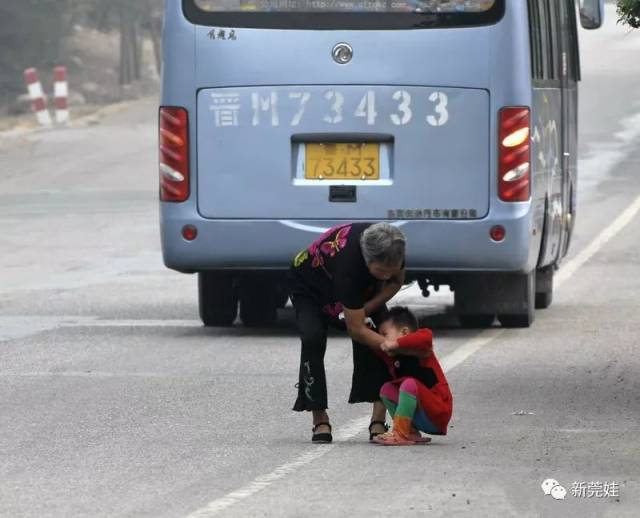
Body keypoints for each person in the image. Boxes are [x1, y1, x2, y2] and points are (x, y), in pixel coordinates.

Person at [289, 222, 407, 443]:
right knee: (312, 338)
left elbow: (394, 283)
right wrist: (389, 345)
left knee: (383, 332)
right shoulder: (351, 267)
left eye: (391, 270)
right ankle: (319, 419)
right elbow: (356, 330)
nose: (386, 276)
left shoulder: (394, 249)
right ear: (367, 259)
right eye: (381, 271)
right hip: (311, 286)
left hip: (360, 290)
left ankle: (378, 421)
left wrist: (367, 312)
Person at [373, 306, 453, 446]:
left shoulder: (422, 347)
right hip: (420, 414)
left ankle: (400, 433)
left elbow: (425, 336)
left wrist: (395, 343)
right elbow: (378, 349)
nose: (383, 339)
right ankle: (410, 431)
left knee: (409, 383)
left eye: (385, 334)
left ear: (404, 332)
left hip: (437, 412)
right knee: (386, 389)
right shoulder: (396, 356)